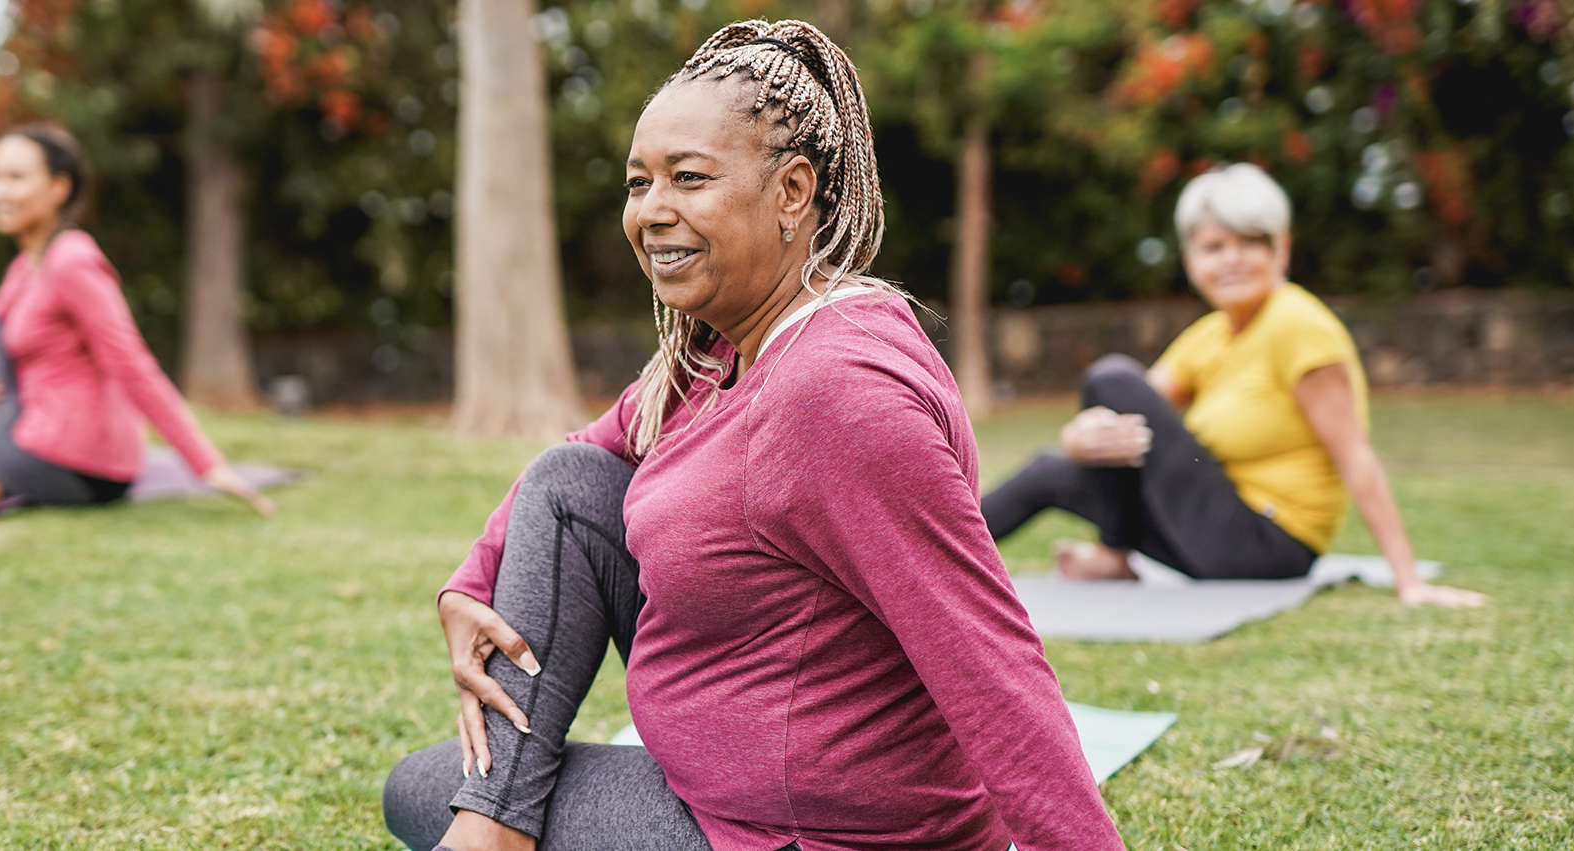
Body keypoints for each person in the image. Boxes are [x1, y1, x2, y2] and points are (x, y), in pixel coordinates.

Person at [383, 21, 1123, 851]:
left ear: (793, 192)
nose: (652, 212)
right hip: (724, 789)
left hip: (803, 836)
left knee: (422, 788)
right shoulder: (721, 350)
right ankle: (492, 827)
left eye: (689, 178)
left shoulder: (838, 393)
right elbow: (584, 457)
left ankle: (489, 828)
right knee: (568, 488)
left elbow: (988, 657)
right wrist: (466, 583)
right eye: (638, 183)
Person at [979, 163, 1483, 608]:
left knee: (1109, 374)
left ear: (1281, 249)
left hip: (1267, 541)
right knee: (1051, 468)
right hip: (1208, 530)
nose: (1232, 260)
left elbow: (1355, 454)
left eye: (1250, 243)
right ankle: (917, 571)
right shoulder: (1212, 334)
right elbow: (1130, 411)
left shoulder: (1298, 325)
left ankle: (1113, 554)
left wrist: (1409, 580)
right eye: (1215, 247)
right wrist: (1079, 438)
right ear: (1192, 260)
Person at [0, 125, 273, 517]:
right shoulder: (26, 268)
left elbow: (132, 363)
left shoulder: (71, 260)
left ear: (59, 188)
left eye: (15, 177)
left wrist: (207, 464)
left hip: (66, 462)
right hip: (48, 456)